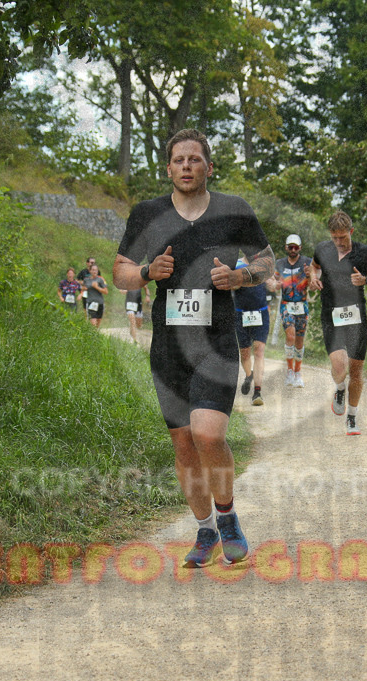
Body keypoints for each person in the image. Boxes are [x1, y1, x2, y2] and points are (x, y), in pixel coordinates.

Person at [113, 129, 273, 568]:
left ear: (209, 167)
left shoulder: (233, 210)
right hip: (169, 348)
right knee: (184, 444)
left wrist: (239, 277)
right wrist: (147, 272)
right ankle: (205, 531)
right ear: (168, 168)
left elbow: (266, 261)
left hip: (217, 341)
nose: (187, 166)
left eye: (195, 159)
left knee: (208, 434)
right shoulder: (148, 214)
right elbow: (120, 271)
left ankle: (228, 519)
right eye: (179, 160)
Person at [308, 210, 367, 436]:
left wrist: (366, 280)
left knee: (356, 370)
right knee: (339, 368)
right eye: (335, 237)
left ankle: (352, 417)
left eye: (343, 237)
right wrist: (313, 278)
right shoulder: (323, 249)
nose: (339, 242)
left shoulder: (365, 253)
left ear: (351, 231)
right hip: (331, 314)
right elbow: (314, 266)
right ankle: (339, 388)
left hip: (355, 316)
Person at [267, 233, 312, 388]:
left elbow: (313, 282)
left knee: (299, 340)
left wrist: (310, 276)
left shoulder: (307, 262)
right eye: (290, 247)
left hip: (302, 305)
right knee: (290, 335)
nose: (293, 250)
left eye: (296, 247)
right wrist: (274, 285)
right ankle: (289, 371)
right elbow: (272, 281)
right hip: (286, 305)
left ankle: (298, 372)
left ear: (300, 248)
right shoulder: (280, 263)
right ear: (286, 247)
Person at [233, 257, 269, 406]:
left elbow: (273, 283)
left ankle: (257, 392)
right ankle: (249, 376)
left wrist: (274, 284)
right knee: (245, 353)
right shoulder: (237, 264)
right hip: (241, 314)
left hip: (261, 313)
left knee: (259, 351)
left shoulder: (265, 264)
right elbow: (232, 286)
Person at [83, 263, 107, 328]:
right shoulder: (86, 280)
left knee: (97, 324)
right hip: (91, 303)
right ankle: (92, 332)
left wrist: (97, 287)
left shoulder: (100, 280)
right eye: (93, 270)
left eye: (96, 270)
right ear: (90, 271)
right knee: (93, 323)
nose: (94, 271)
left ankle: (96, 333)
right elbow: (83, 288)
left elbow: (106, 291)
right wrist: (83, 289)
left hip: (100, 303)